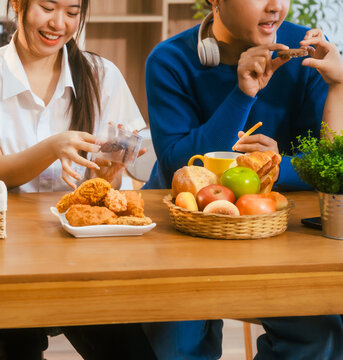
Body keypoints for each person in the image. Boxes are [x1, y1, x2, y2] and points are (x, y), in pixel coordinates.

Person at [0, 0, 155, 358]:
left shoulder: (101, 74)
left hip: (86, 257)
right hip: (4, 257)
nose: (59, 23)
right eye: (47, 7)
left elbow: (130, 173)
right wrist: (53, 146)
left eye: (72, 12)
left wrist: (111, 176)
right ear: (17, 5)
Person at [142, 0, 343, 358]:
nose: (275, 7)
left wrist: (277, 166)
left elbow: (328, 167)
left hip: (275, 235)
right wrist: (243, 93)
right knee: (175, 344)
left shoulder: (308, 51)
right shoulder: (168, 60)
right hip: (182, 237)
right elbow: (177, 163)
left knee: (319, 333)